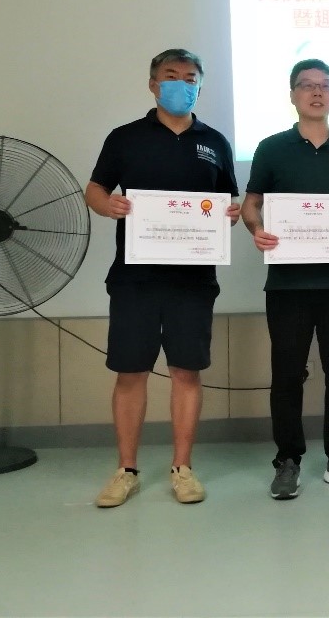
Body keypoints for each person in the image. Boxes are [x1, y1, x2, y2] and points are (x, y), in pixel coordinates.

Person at [86, 49, 240, 507]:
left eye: (190, 78)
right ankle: (126, 470)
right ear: (153, 84)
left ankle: (182, 468)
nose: (181, 84)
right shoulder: (125, 137)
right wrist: (107, 205)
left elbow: (227, 200)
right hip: (134, 277)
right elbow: (95, 189)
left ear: (199, 86)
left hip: (193, 279)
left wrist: (230, 214)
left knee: (186, 371)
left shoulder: (214, 141)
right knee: (130, 370)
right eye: (171, 76)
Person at [241, 58, 329, 500]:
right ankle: (288, 460)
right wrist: (257, 229)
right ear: (293, 94)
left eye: (325, 86)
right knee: (286, 374)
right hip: (287, 285)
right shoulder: (271, 148)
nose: (317, 92)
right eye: (307, 85)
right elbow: (251, 204)